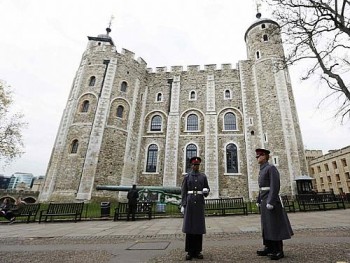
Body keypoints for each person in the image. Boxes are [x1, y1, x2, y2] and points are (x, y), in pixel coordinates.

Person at [255, 148, 294, 260]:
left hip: (271, 201)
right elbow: (261, 188)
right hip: (264, 200)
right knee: (266, 225)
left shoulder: (271, 168)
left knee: (274, 225)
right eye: (257, 156)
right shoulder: (262, 169)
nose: (258, 158)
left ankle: (278, 250)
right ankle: (269, 247)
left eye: (260, 156)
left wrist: (271, 201)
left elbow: (274, 185)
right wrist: (258, 200)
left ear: (266, 156)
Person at [181, 156, 210, 261]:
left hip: (199, 204)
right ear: (191, 165)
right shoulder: (187, 177)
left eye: (197, 165)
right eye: (194, 165)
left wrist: (206, 191)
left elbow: (207, 189)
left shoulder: (203, 177)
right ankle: (189, 251)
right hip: (190, 203)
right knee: (189, 228)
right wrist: (183, 205)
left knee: (198, 228)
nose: (195, 166)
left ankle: (198, 251)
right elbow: (183, 191)